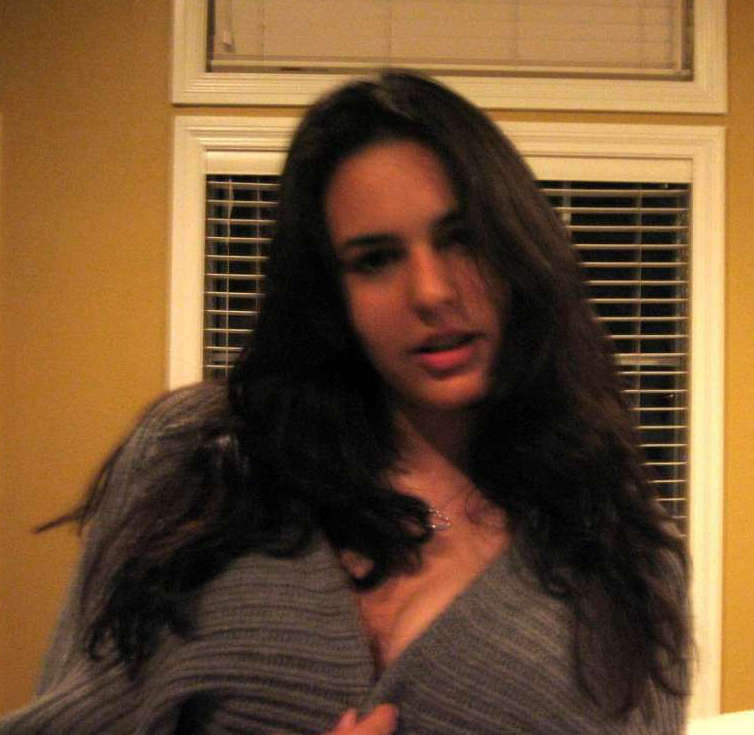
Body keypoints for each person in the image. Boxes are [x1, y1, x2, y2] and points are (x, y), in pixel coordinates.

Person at [0, 70, 689, 734]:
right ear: (332, 295)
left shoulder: (625, 560)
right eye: (375, 259)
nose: (430, 292)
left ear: (518, 249)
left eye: (462, 239)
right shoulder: (199, 459)